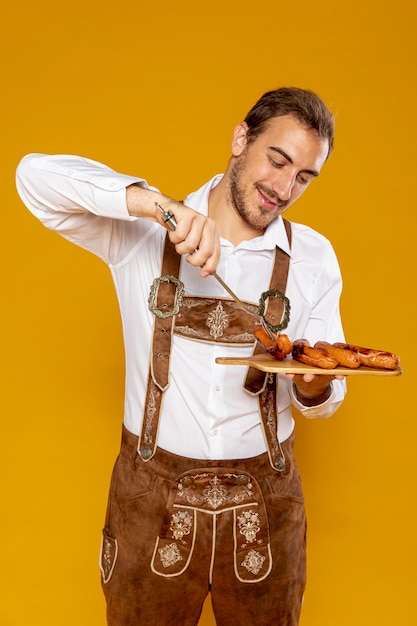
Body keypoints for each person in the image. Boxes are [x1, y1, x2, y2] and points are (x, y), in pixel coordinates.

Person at [16, 87, 346, 626]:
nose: (285, 188)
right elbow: (33, 178)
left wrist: (312, 384)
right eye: (278, 160)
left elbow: (326, 397)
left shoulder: (313, 257)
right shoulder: (140, 234)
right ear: (241, 138)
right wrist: (158, 206)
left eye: (304, 177)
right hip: (150, 500)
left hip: (267, 507)